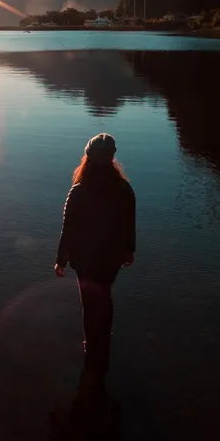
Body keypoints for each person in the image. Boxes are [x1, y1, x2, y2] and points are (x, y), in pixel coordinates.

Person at [54, 133, 135, 371]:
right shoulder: (124, 189)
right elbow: (129, 222)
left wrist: (61, 260)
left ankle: (92, 343)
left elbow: (68, 229)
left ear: (87, 158)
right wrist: (129, 250)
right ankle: (104, 337)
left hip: (85, 259)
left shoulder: (78, 191)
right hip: (112, 257)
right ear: (112, 159)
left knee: (90, 302)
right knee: (105, 294)